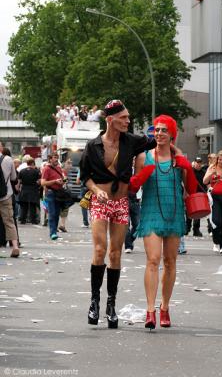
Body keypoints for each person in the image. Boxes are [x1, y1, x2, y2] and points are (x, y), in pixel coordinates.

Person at [79, 99, 156, 328]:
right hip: (100, 202)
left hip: (121, 202)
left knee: (115, 254)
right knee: (100, 249)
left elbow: (160, 141)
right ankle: (95, 301)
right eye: (124, 118)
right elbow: (85, 177)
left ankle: (111, 304)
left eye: (128, 117)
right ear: (110, 120)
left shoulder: (132, 141)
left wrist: (144, 162)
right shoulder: (93, 146)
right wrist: (95, 191)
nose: (128, 121)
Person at [135, 114, 197, 330]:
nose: (159, 133)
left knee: (170, 261)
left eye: (164, 130)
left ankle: (165, 307)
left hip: (174, 212)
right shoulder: (143, 158)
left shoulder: (178, 160)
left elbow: (192, 189)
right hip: (151, 211)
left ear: (172, 135)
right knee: (153, 260)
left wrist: (186, 167)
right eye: (157, 130)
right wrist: (140, 177)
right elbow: (133, 188)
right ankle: (150, 310)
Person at [41, 152, 72, 240]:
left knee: (57, 213)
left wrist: (64, 180)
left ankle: (55, 232)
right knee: (52, 213)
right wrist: (54, 181)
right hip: (50, 192)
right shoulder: (46, 169)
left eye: (57, 157)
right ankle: (52, 233)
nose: (56, 159)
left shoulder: (59, 168)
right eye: (54, 157)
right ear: (50, 159)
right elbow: (43, 182)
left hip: (59, 193)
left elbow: (63, 178)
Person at [0, 142, 20, 257]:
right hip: (5, 194)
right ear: (1, 148)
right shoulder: (8, 159)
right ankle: (15, 246)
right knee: (9, 222)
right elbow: (13, 177)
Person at [186, 157, 206, 237]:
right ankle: (187, 228)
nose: (198, 164)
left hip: (200, 195)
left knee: (198, 213)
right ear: (194, 162)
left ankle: (196, 229)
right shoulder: (190, 171)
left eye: (200, 162)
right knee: (188, 212)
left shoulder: (203, 172)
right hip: (191, 194)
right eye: (197, 162)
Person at [18, 158, 41, 224]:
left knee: (24, 206)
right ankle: (33, 220)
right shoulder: (36, 171)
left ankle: (23, 220)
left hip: (24, 190)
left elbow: (19, 182)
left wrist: (18, 189)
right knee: (33, 206)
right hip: (33, 190)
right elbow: (39, 182)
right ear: (33, 164)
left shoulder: (21, 171)